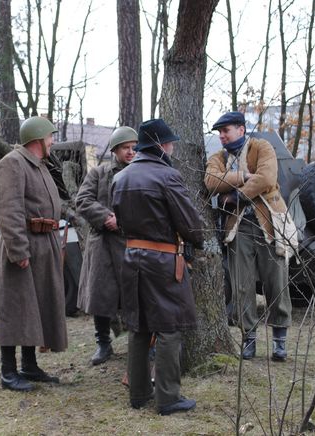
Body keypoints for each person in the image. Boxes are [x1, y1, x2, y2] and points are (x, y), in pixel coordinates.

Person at [111, 118, 204, 415]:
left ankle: (138, 394)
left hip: (130, 258)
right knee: (169, 328)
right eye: (170, 143)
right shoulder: (168, 176)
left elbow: (121, 221)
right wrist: (199, 239)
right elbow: (190, 224)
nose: (173, 147)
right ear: (162, 146)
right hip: (163, 262)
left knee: (138, 326)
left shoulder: (120, 178)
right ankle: (168, 397)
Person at [204, 111, 292, 361]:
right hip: (237, 228)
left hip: (269, 224)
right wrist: (242, 177)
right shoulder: (218, 157)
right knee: (241, 286)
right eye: (219, 132)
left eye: (226, 130)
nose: (222, 136)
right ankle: (249, 340)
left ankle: (279, 342)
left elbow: (266, 178)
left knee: (276, 281)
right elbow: (211, 180)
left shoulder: (261, 147)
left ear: (241, 130)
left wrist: (236, 196)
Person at [0, 116, 68, 392]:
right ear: (38, 139)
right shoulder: (12, 164)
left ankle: (29, 365)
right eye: (50, 137)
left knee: (35, 308)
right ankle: (8, 371)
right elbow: (7, 210)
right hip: (24, 243)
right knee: (16, 308)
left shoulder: (39, 166)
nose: (52, 141)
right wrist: (18, 250)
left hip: (43, 242)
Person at [76, 126, 137, 365]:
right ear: (115, 150)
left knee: (135, 297)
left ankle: (139, 344)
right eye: (125, 148)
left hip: (132, 244)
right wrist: (105, 217)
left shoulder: (141, 172)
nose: (131, 152)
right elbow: (83, 200)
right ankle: (103, 344)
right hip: (102, 244)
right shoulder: (99, 173)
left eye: (134, 147)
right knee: (101, 296)